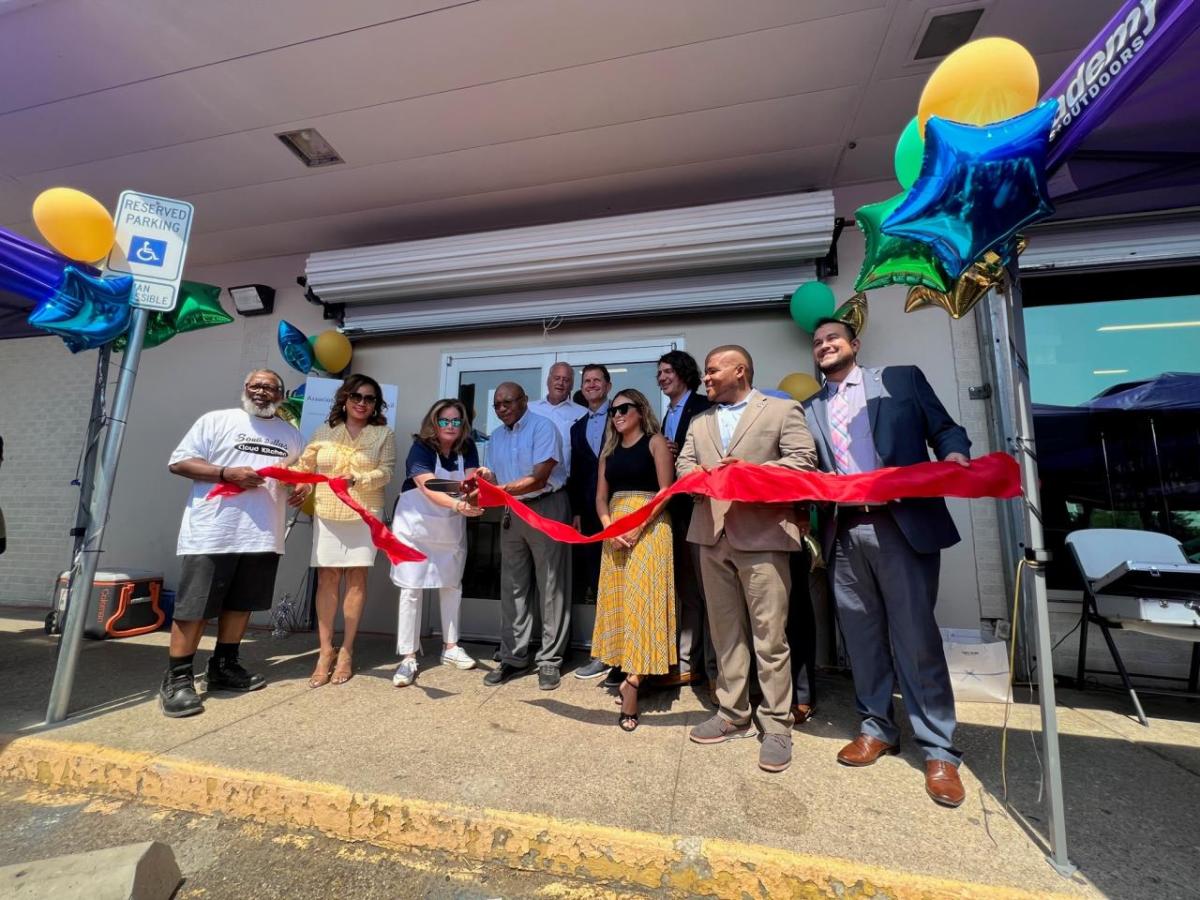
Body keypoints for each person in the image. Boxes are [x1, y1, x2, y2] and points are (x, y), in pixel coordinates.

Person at [804, 317, 971, 808]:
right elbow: (803, 467)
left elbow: (945, 429)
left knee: (915, 638)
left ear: (854, 344)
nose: (825, 346)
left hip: (901, 525)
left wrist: (955, 454)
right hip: (844, 531)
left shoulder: (900, 380)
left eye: (833, 338)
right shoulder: (810, 408)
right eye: (817, 343)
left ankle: (939, 749)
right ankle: (877, 728)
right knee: (862, 636)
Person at [676, 346, 817, 773]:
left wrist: (750, 474)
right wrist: (702, 479)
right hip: (710, 535)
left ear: (740, 370)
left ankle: (776, 725)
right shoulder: (700, 422)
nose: (706, 378)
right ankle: (733, 715)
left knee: (770, 637)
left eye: (713, 370)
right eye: (705, 372)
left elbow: (802, 462)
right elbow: (684, 464)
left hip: (763, 537)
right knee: (725, 634)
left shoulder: (781, 409)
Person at [160, 370, 304, 718]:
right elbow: (178, 462)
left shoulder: (291, 436)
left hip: (262, 533)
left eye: (270, 388)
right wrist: (226, 473)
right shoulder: (216, 421)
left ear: (280, 395)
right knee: (194, 607)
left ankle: (223, 666)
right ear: (245, 389)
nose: (262, 392)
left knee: (241, 604)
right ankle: (177, 679)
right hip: (212, 531)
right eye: (256, 386)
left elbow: (292, 476)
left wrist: (302, 487)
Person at [291, 374, 395, 687]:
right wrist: (293, 482)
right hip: (328, 513)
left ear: (376, 404)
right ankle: (325, 650)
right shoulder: (324, 431)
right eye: (357, 397)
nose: (362, 403)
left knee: (357, 578)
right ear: (345, 399)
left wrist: (358, 480)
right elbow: (304, 468)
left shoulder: (383, 433)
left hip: (364, 513)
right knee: (328, 578)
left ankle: (347, 649)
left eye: (370, 398)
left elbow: (387, 472)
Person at [590, 389, 676, 731]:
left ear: (640, 411)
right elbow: (600, 498)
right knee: (623, 605)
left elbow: (666, 491)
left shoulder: (656, 443)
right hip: (615, 530)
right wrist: (610, 529)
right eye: (613, 411)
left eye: (624, 408)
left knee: (645, 603)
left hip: (650, 528)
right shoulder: (608, 452)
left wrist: (638, 526)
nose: (617, 415)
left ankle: (633, 685)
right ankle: (629, 672)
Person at [482, 382, 571, 690]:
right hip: (513, 512)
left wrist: (499, 490)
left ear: (524, 401)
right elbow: (494, 478)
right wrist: (483, 481)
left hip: (545, 507)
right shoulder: (494, 437)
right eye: (497, 405)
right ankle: (514, 657)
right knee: (513, 586)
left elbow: (540, 477)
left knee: (550, 585)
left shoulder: (543, 427)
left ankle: (549, 660)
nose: (503, 408)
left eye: (508, 402)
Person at [389, 399, 484, 686]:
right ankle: (408, 656)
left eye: (457, 421)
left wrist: (481, 484)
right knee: (411, 590)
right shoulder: (421, 448)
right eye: (445, 420)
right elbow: (428, 485)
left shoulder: (467, 447)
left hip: (448, 529)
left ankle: (451, 647)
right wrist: (458, 506)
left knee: (451, 585)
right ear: (434, 423)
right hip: (415, 527)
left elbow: (471, 483)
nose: (451, 426)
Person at [655, 350, 715, 691]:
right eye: (659, 373)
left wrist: (682, 455)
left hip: (701, 510)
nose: (662, 377)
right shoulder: (667, 414)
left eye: (667, 371)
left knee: (709, 591)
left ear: (683, 373)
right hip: (676, 512)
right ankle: (690, 663)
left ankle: (711, 666)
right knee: (689, 591)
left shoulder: (705, 407)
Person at [568, 364, 613, 681]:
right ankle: (603, 651)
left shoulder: (624, 414)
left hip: (624, 507)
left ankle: (623, 654)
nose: (592, 385)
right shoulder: (576, 427)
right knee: (598, 580)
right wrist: (577, 513)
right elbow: (579, 474)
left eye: (597, 380)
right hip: (590, 514)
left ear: (608, 386)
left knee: (622, 580)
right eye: (587, 381)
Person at [529, 361, 586, 478]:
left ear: (571, 386)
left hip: (564, 484)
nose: (561, 383)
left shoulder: (582, 413)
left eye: (566, 380)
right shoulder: (529, 409)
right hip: (530, 482)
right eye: (557, 378)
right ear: (548, 381)